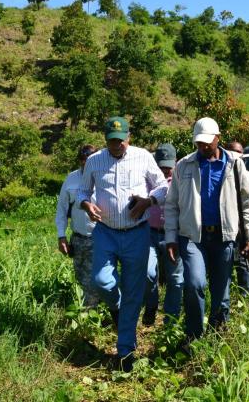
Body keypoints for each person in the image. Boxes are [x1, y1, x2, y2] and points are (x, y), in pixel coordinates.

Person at [79, 116, 168, 372]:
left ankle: (125, 350)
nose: (116, 145)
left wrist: (149, 201)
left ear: (129, 137)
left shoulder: (143, 157)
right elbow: (83, 192)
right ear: (105, 140)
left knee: (132, 291)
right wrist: (87, 204)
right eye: (111, 141)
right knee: (101, 280)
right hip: (105, 232)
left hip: (136, 233)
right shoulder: (95, 161)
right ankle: (116, 307)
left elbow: (162, 186)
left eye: (120, 140)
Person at [164, 117, 249, 342]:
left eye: (207, 142)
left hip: (224, 237)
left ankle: (217, 338)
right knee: (195, 283)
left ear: (218, 138)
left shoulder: (235, 164)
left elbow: (247, 204)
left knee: (221, 293)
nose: (203, 146)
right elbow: (171, 204)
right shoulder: (184, 165)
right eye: (199, 143)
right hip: (192, 236)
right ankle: (194, 336)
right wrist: (170, 238)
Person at [143, 143, 183, 325]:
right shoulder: (147, 178)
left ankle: (171, 319)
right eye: (162, 167)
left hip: (172, 234)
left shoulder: (181, 178)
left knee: (175, 277)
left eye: (168, 167)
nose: (166, 171)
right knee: (148, 273)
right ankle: (151, 306)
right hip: (149, 233)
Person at [55, 144, 99, 308]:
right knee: (81, 276)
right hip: (79, 238)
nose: (86, 165)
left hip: (101, 237)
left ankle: (92, 312)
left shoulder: (105, 177)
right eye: (83, 161)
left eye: (89, 161)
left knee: (97, 277)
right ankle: (92, 310)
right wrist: (61, 236)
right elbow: (61, 210)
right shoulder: (71, 179)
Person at [225, 140, 249, 296]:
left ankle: (247, 296)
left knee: (242, 262)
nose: (236, 155)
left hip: (240, 229)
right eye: (233, 151)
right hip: (224, 227)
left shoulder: (246, 175)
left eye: (239, 152)